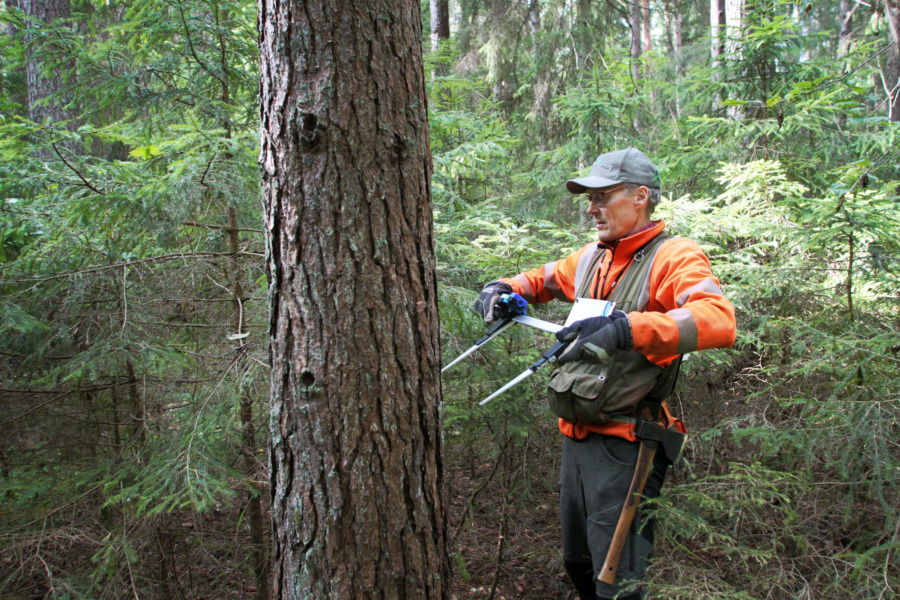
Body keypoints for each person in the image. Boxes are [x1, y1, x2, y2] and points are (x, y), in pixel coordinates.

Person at [474, 147, 736, 600]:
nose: (591, 208)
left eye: (602, 196)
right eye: (588, 198)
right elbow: (545, 279)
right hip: (576, 440)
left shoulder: (674, 256)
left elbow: (718, 319)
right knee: (578, 564)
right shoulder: (594, 257)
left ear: (640, 196)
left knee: (617, 583)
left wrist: (627, 330)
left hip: (627, 446)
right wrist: (505, 288)